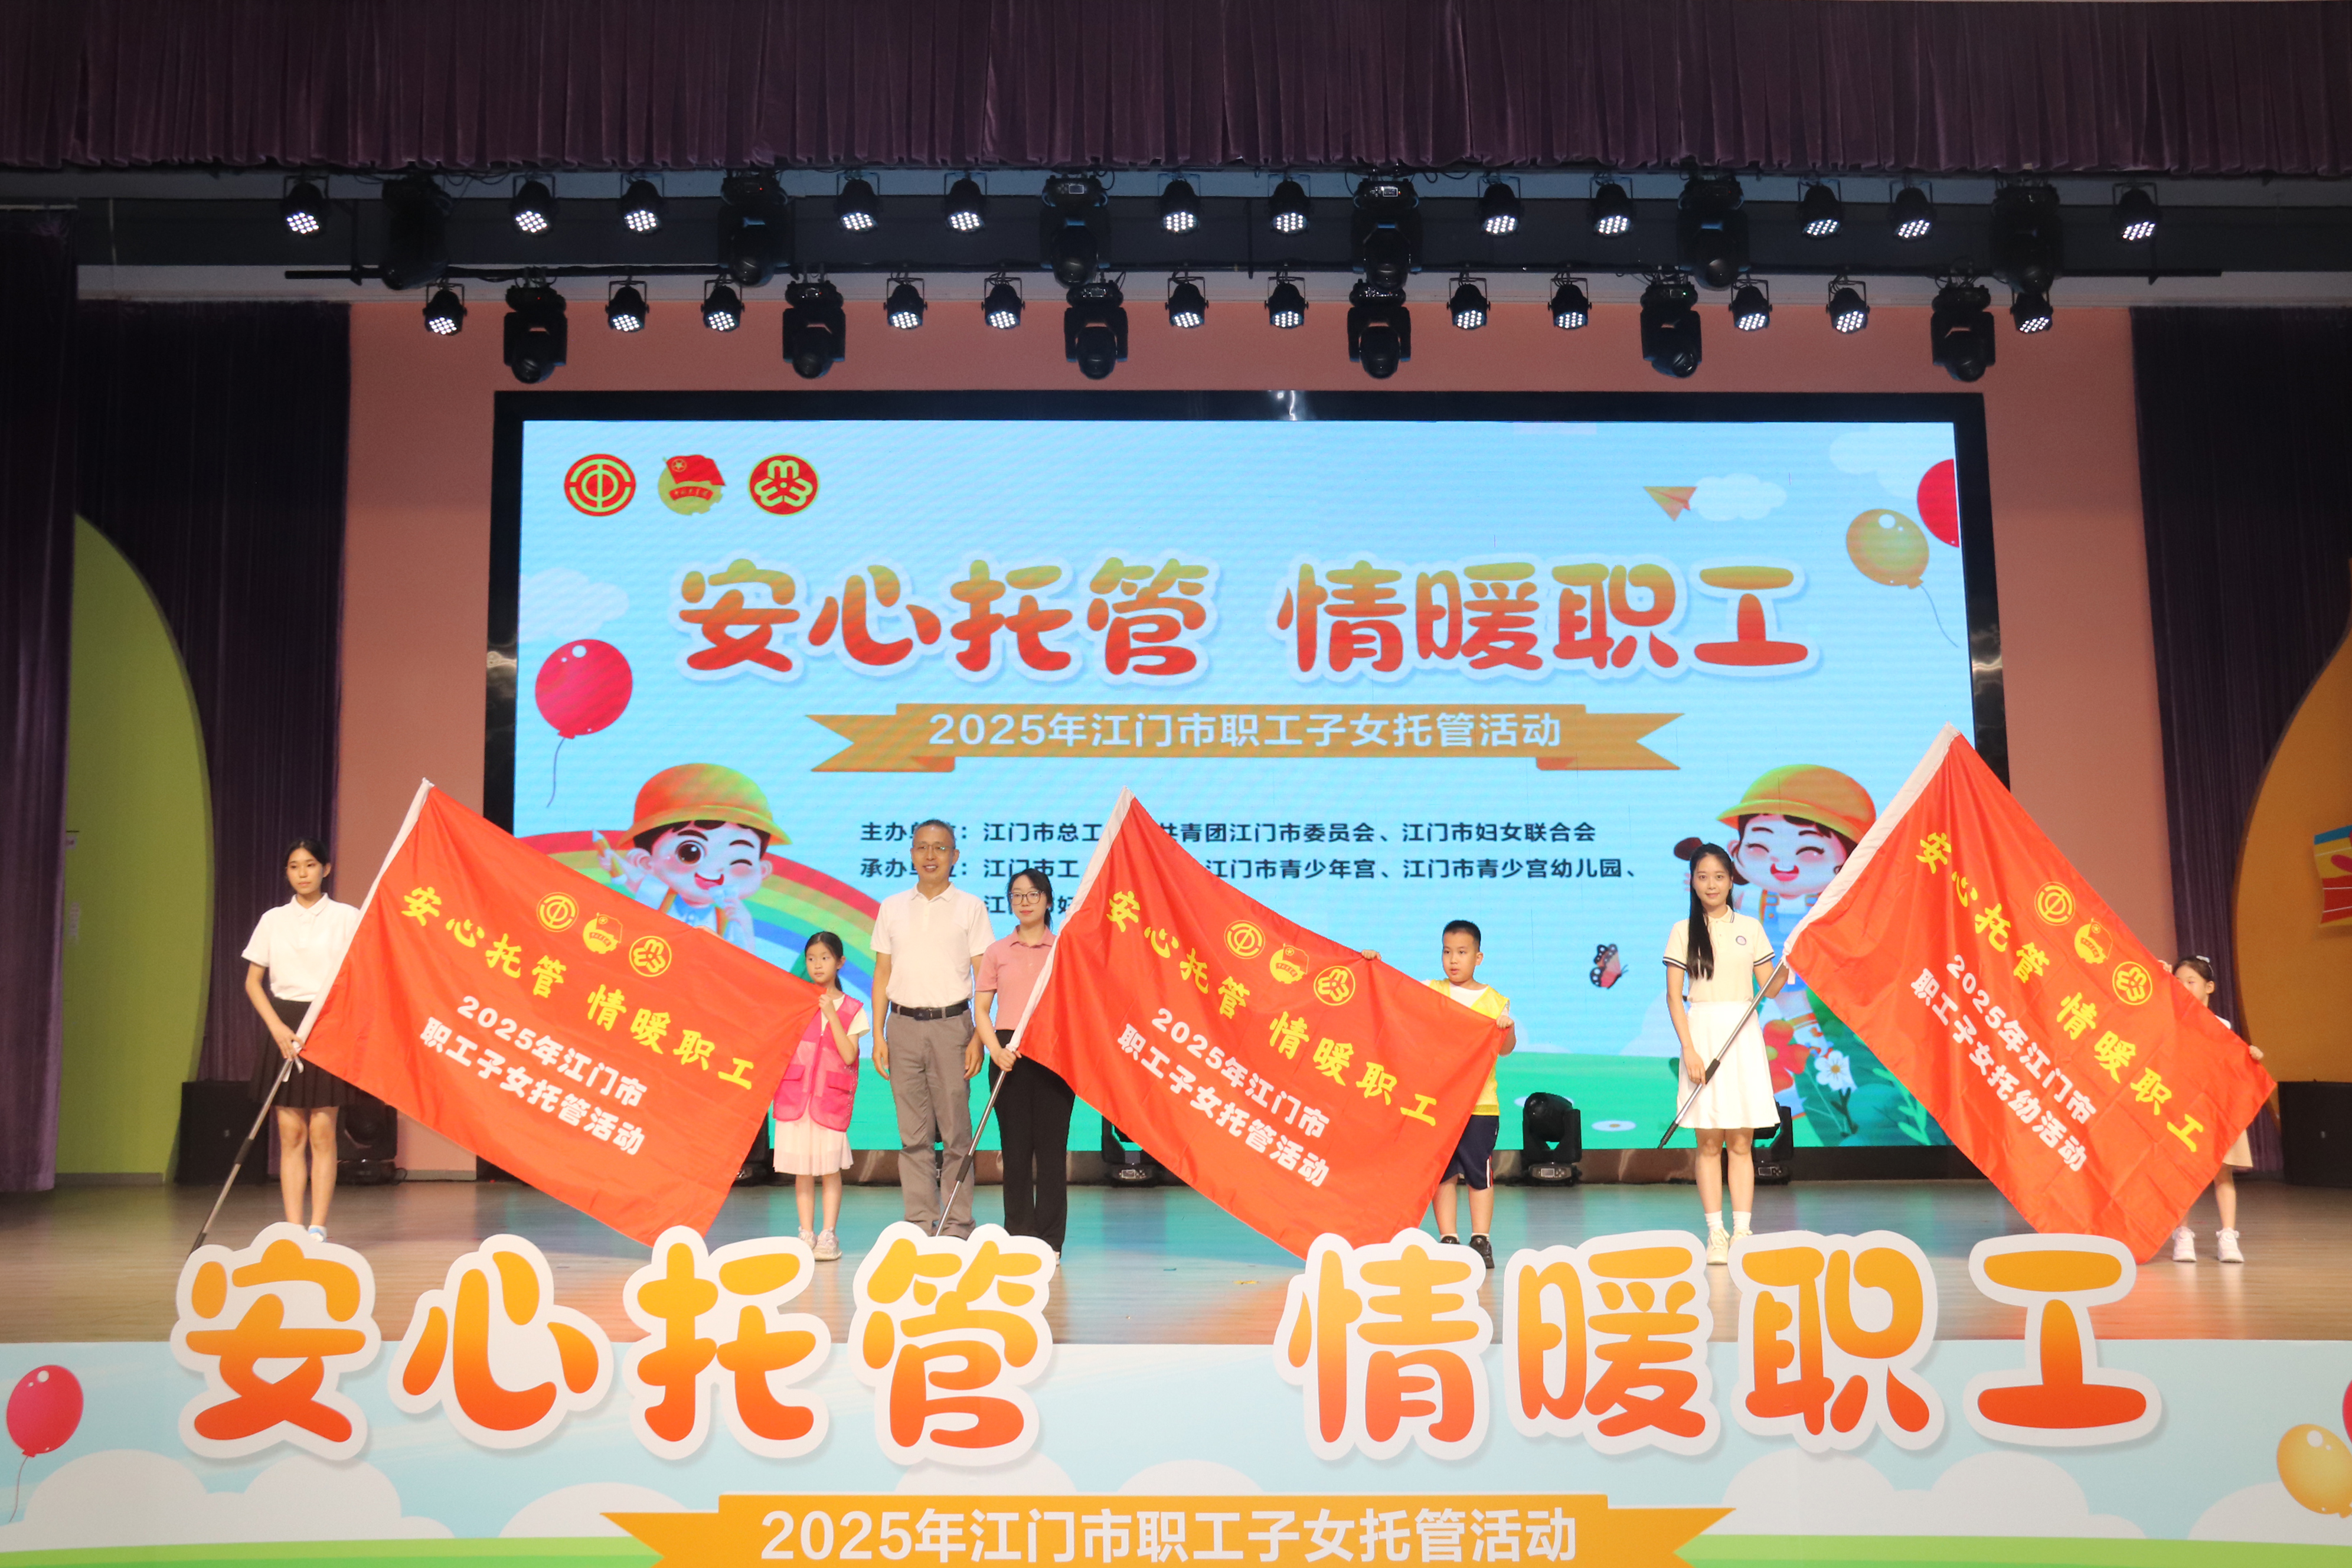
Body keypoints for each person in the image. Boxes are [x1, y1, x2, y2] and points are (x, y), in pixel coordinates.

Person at [870, 819, 995, 1237]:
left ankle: (957, 1224)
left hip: (952, 1027)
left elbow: (985, 978)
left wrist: (979, 1036)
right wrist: (878, 1034)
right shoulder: (892, 907)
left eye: (940, 848)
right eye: (922, 847)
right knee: (913, 1136)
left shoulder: (971, 907)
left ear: (954, 856)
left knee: (957, 1133)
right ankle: (920, 1224)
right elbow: (882, 972)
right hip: (902, 1026)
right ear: (911, 854)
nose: (930, 855)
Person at [1665, 842, 1786, 1264]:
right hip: (1702, 1033)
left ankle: (1743, 1231)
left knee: (1740, 1140)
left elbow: (1770, 988)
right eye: (1703, 877)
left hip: (1743, 1033)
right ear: (1693, 882)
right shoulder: (1683, 930)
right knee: (1708, 1141)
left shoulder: (1750, 927)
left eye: (1719, 877)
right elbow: (1675, 998)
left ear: (1732, 881)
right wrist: (1689, 1050)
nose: (1711, 885)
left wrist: (1790, 964)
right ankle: (1716, 1233)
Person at [240, 839, 365, 1240]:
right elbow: (253, 982)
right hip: (284, 1024)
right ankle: (293, 1229)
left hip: (328, 1023)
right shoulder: (273, 920)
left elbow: (363, 974)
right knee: (291, 1132)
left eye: (310, 865)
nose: (302, 873)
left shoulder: (347, 916)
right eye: (294, 867)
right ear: (287, 873)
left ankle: (318, 1227)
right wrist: (276, 1027)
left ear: (326, 869)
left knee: (322, 1132)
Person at [978, 867, 1073, 1258]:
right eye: (1017, 895)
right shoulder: (997, 951)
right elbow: (982, 1009)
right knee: (1015, 1153)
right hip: (1008, 1054)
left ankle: (1050, 1242)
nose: (1025, 902)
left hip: (1053, 1055)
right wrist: (994, 1050)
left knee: (1051, 1154)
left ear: (1048, 901)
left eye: (1033, 894)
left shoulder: (1065, 950)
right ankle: (1019, 1237)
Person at [772, 931, 867, 1260]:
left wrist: (831, 1014)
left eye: (825, 958)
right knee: (803, 1171)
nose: (817, 965)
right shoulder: (796, 1003)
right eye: (811, 958)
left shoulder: (853, 1008)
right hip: (796, 1099)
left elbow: (849, 1055)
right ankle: (805, 1233)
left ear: (840, 962)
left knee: (829, 1170)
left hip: (829, 1102)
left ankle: (828, 1234)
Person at [2165, 955, 2265, 1264]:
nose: (2183, 987)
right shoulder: (2170, 1018)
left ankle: (2228, 1236)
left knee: (2223, 1173)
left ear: (2209, 987)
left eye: (2190, 982)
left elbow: (2233, 1063)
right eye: (2177, 982)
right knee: (2182, 1174)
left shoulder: (2223, 1027)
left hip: (2217, 1107)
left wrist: (2252, 1054)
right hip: (2183, 1105)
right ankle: (2182, 1235)